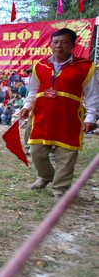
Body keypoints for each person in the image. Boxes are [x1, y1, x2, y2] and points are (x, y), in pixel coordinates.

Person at [18, 28, 99, 202]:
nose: (59, 46)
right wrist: (26, 106)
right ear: (50, 44)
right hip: (42, 117)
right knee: (36, 152)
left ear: (72, 45)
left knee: (66, 155)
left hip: (68, 118)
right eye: (55, 42)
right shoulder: (40, 65)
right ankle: (46, 176)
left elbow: (93, 95)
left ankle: (60, 189)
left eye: (64, 42)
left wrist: (91, 117)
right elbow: (33, 91)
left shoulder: (85, 67)